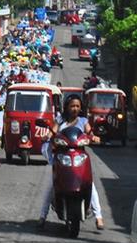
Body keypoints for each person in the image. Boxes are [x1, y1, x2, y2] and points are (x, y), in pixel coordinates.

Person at [37, 95, 104, 230]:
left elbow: (90, 133)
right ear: (66, 107)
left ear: (81, 108)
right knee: (52, 185)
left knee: (90, 184)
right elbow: (52, 133)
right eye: (72, 106)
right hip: (62, 157)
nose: (75, 109)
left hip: (79, 158)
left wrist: (94, 137)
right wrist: (47, 136)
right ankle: (42, 216)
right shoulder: (59, 120)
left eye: (77, 106)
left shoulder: (83, 121)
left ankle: (99, 217)